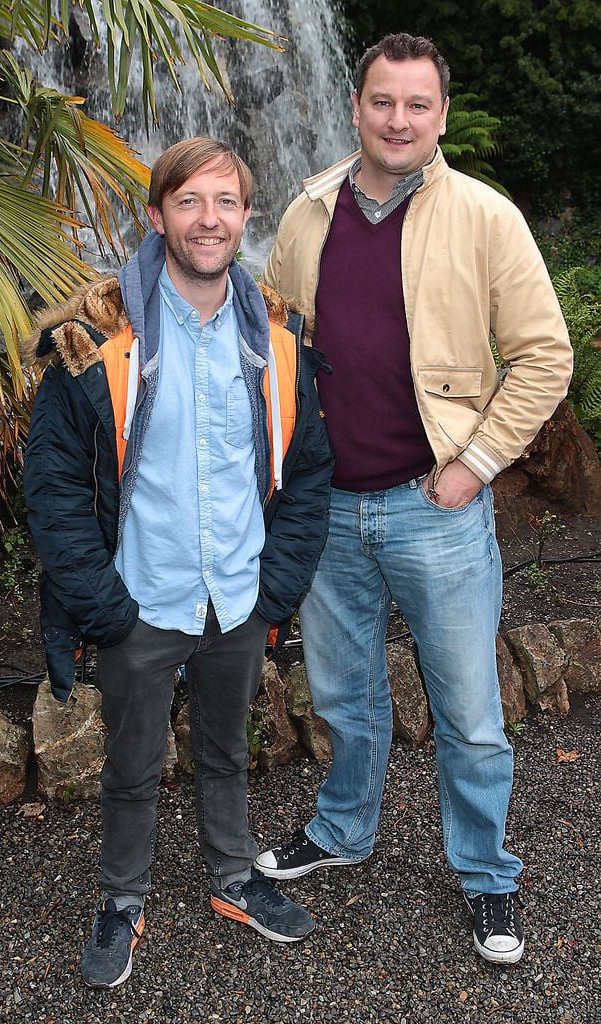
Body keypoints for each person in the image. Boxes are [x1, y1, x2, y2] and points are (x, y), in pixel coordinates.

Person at [254, 33, 573, 965]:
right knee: (343, 697)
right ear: (355, 106)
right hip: (326, 509)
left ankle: (486, 876)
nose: (398, 121)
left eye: (417, 105)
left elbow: (544, 355)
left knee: (470, 712)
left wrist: (474, 463)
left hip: (431, 505)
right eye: (382, 102)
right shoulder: (308, 211)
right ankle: (343, 830)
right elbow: (273, 348)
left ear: (439, 113)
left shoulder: (485, 217)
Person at [23, 136, 334, 989]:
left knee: (229, 748)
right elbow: (52, 486)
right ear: (157, 215)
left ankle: (234, 879)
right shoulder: (97, 341)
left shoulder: (277, 342)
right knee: (132, 762)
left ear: (245, 217)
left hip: (236, 596)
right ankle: (122, 900)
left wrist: (273, 592)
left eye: (225, 202)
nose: (209, 220)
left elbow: (306, 472)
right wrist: (105, 607)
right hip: (140, 598)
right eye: (189, 202)